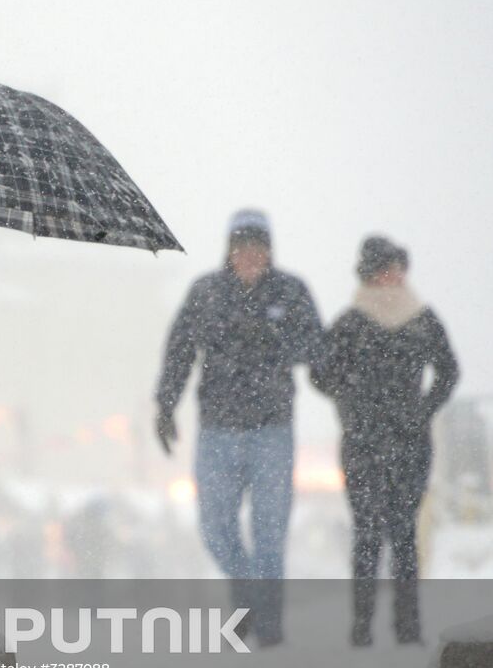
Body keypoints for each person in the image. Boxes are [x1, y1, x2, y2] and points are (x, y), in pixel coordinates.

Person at [154, 209, 322, 645]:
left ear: (269, 249)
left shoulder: (291, 291)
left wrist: (275, 337)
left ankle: (267, 625)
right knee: (215, 528)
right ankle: (249, 596)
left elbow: (316, 347)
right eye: (241, 246)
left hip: (272, 430)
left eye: (257, 246)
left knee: (270, 533)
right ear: (229, 250)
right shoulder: (206, 293)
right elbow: (178, 351)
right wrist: (165, 404)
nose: (250, 255)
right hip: (218, 430)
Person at [311, 236, 458, 645]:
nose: (392, 276)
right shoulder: (349, 322)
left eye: (396, 268)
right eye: (384, 269)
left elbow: (448, 371)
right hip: (362, 442)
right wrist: (353, 404)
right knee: (366, 532)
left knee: (404, 530)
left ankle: (407, 626)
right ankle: (362, 626)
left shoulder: (423, 319)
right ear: (370, 274)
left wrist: (423, 409)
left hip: (411, 442)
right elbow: (321, 374)